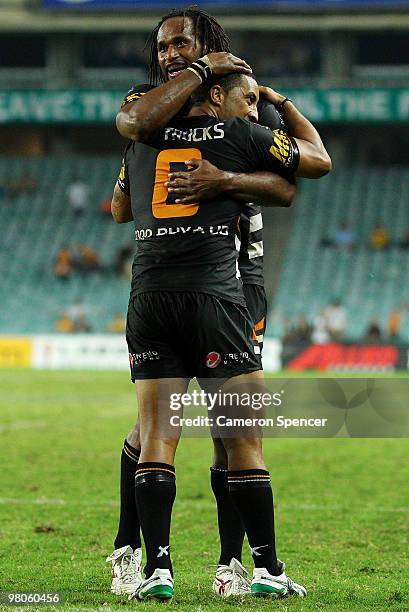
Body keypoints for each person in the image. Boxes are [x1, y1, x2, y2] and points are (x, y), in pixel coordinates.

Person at [108, 6, 331, 600]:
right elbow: (307, 171)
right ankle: (209, 561)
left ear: (211, 49)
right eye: (163, 47)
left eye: (181, 45)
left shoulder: (162, 127)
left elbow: (281, 190)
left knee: (169, 430)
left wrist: (222, 181)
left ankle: (180, 563)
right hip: (213, 292)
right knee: (228, 434)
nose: (168, 54)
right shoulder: (190, 121)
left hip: (195, 288)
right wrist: (251, 104)